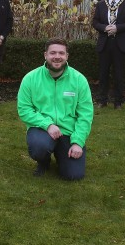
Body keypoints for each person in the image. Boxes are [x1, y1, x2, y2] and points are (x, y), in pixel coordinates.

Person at [17, 38, 94, 180]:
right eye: (52, 53)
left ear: (67, 56)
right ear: (45, 55)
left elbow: (85, 115)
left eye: (61, 53)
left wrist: (78, 142)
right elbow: (24, 109)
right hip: (42, 129)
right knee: (39, 147)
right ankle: (44, 161)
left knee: (73, 176)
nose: (57, 56)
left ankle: (61, 154)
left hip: (69, 132)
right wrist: (48, 124)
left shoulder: (79, 80)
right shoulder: (30, 78)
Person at [92, 0, 125, 109]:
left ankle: (118, 102)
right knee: (103, 73)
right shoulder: (101, 4)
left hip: (120, 44)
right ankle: (102, 100)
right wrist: (104, 28)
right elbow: (95, 22)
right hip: (104, 43)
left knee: (119, 74)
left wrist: (117, 28)